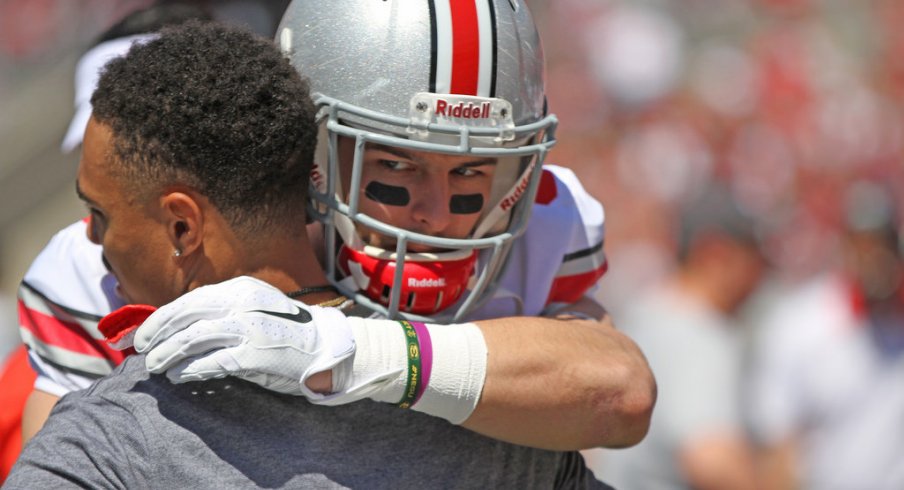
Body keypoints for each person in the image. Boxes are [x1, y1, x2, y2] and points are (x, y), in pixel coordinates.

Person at [18, 0, 655, 452]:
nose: (435, 212)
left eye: (474, 171)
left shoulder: (546, 217)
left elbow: (621, 397)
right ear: (312, 151)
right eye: (396, 165)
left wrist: (349, 353)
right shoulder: (128, 255)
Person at [585, 185, 765, 489]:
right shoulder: (698, 335)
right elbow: (712, 462)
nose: (759, 273)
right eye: (752, 256)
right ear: (716, 255)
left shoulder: (648, 309)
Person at [745, 180, 904, 490]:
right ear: (844, 246)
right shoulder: (801, 323)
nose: (873, 257)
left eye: (882, 245)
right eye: (862, 244)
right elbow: (776, 442)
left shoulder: (897, 319)